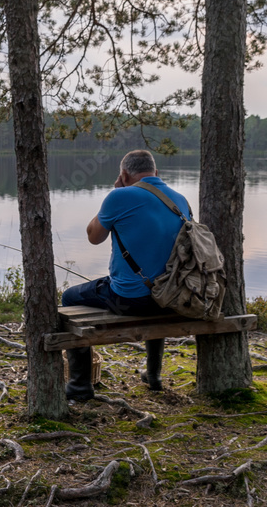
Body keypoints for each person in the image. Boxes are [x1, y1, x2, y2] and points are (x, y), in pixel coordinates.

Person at [60, 149, 191, 400]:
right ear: (156, 173)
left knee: (69, 297)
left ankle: (79, 386)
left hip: (130, 301)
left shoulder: (120, 196)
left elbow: (93, 237)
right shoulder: (180, 200)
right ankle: (153, 375)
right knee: (156, 287)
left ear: (123, 174)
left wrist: (117, 192)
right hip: (171, 298)